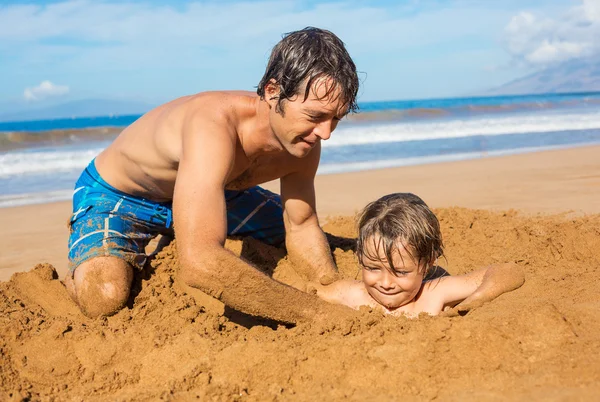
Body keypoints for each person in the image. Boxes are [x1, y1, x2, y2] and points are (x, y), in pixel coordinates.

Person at [65, 27, 360, 322]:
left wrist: (329, 285)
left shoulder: (304, 141)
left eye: (336, 118)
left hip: (215, 193)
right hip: (120, 195)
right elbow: (200, 263)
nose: (326, 133)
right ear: (273, 92)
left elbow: (302, 225)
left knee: (319, 239)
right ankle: (77, 271)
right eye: (315, 116)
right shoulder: (213, 124)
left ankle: (180, 233)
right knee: (104, 298)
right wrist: (319, 314)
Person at [310, 193, 525, 317]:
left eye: (401, 272)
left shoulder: (433, 293)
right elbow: (306, 296)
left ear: (427, 264)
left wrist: (475, 300)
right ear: (360, 257)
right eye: (373, 267)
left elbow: (508, 271)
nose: (386, 283)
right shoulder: (352, 294)